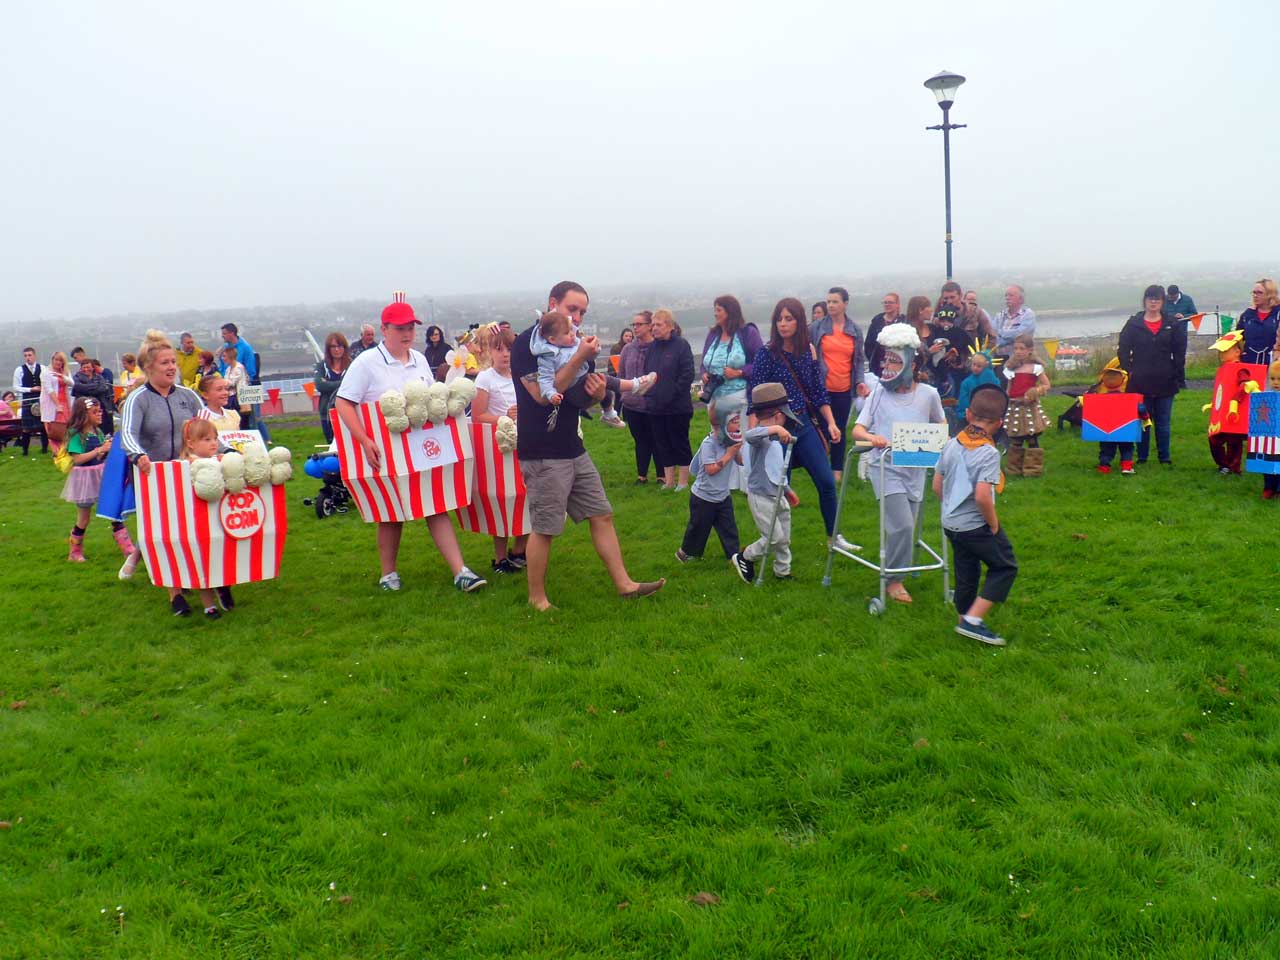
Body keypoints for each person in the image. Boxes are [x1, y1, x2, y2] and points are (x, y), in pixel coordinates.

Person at [511, 280, 665, 610]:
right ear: (552, 303)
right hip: (542, 450)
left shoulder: (577, 345)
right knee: (546, 528)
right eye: (572, 309)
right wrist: (580, 355)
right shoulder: (530, 343)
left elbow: (574, 399)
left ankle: (625, 584)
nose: (578, 318)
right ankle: (537, 598)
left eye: (582, 311)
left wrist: (595, 396)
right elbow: (542, 397)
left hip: (573, 445)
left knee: (602, 514)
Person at [335, 294, 487, 594]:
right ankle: (388, 574)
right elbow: (343, 402)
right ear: (385, 329)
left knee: (435, 504)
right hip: (384, 448)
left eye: (411, 328)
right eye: (400, 328)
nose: (407, 334)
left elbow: (431, 401)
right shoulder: (366, 362)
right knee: (390, 512)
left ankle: (461, 571)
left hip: (421, 446)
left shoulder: (418, 359)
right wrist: (364, 440)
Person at [850, 323, 946, 605]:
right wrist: (872, 438)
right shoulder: (878, 393)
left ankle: (899, 568)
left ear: (911, 364)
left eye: (895, 360)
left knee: (910, 526)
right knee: (902, 525)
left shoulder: (929, 394)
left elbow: (941, 424)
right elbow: (857, 430)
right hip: (885, 466)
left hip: (915, 466)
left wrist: (940, 440)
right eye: (886, 359)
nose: (888, 365)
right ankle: (893, 579)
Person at [116, 330, 208, 597]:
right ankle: (172, 586)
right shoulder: (138, 398)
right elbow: (128, 434)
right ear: (148, 368)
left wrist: (226, 451)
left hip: (185, 470)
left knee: (188, 525)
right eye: (165, 363)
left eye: (173, 362)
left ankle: (188, 574)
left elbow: (206, 429)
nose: (172, 368)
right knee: (160, 528)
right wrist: (139, 456)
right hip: (150, 472)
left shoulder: (187, 396)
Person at [748, 298, 845, 547]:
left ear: (800, 321)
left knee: (826, 481)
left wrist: (831, 423)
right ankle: (778, 546)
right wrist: (753, 432)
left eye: (789, 318)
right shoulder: (766, 353)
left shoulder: (808, 351)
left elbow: (817, 392)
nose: (783, 324)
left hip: (803, 422)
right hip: (776, 428)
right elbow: (754, 394)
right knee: (780, 490)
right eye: (779, 319)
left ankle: (834, 538)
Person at [933, 384, 1017, 646]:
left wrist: (953, 510)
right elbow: (982, 496)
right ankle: (974, 621)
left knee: (966, 568)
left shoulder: (951, 443)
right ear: (1000, 422)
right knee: (1005, 566)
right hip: (975, 526)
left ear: (968, 414)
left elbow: (937, 486)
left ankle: (963, 619)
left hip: (951, 524)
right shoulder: (988, 453)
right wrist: (993, 524)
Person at [472, 326, 529, 574]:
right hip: (499, 448)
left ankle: (520, 550)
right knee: (503, 499)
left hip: (527, 443)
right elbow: (478, 416)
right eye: (499, 349)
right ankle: (499, 557)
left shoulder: (524, 374)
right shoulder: (485, 378)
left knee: (529, 496)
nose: (505, 354)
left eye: (509, 348)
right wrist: (504, 417)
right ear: (489, 352)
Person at [732, 382, 799, 583]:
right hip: (761, 496)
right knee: (773, 537)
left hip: (777, 494)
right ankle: (745, 556)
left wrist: (787, 489)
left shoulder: (775, 439)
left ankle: (782, 571)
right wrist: (776, 429)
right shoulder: (761, 436)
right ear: (778, 415)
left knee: (784, 537)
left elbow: (776, 468)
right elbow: (750, 435)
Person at [1118, 284, 1185, 466]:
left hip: (1166, 380)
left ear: (1163, 301)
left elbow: (1180, 351)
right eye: (1150, 298)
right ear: (1145, 301)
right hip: (1139, 381)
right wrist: (1129, 370)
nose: (1153, 302)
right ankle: (1142, 457)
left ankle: (1164, 457)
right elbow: (1123, 349)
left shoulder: (1172, 324)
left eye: (1157, 299)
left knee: (1163, 423)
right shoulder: (1133, 323)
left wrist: (1177, 373)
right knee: (1143, 421)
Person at [532, 311, 655, 409]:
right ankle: (634, 385)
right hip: (574, 391)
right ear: (553, 339)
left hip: (583, 380)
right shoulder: (547, 356)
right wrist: (551, 393)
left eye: (571, 330)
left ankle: (618, 404)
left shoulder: (573, 343)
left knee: (604, 383)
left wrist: (595, 349)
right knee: (605, 380)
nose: (571, 334)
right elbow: (545, 379)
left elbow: (589, 357)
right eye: (566, 332)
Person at [676, 397, 744, 567]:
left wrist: (737, 450)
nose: (739, 425)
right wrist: (729, 454)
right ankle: (685, 553)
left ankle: (733, 556)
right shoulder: (709, 444)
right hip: (703, 497)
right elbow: (711, 469)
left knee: (729, 528)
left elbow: (741, 462)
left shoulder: (731, 441)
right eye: (735, 421)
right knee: (698, 528)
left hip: (722, 496)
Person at [813, 286, 868, 481]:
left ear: (845, 304)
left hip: (844, 388)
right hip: (821, 388)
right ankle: (820, 469)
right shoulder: (817, 327)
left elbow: (860, 360)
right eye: (828, 302)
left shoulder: (854, 330)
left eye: (835, 301)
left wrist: (860, 381)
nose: (831, 305)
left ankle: (837, 472)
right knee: (822, 429)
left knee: (839, 429)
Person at [178, 419, 230, 619]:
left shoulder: (219, 460)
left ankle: (223, 587)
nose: (213, 443)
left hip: (219, 519)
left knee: (222, 556)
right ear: (191, 443)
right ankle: (209, 605)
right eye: (207, 439)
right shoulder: (187, 465)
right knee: (201, 561)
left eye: (215, 438)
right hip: (197, 524)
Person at [61, 398, 118, 563]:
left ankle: (127, 547)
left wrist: (106, 449)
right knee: (84, 517)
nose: (100, 414)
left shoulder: (97, 432)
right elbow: (78, 458)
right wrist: (99, 449)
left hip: (99, 475)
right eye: (95, 412)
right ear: (84, 414)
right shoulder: (76, 435)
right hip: (84, 480)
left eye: (100, 411)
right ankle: (74, 551)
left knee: (113, 511)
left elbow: (98, 456)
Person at [644, 308, 695, 490]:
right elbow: (647, 373)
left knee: (679, 442)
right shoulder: (652, 348)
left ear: (670, 326)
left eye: (658, 324)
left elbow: (687, 374)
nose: (654, 328)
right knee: (662, 443)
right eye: (653, 325)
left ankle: (682, 481)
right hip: (656, 406)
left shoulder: (682, 346)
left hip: (678, 407)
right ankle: (669, 481)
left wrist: (671, 394)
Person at [700, 294, 765, 409]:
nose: (715, 314)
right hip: (713, 399)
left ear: (730, 311)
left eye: (719, 310)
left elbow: (762, 363)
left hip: (741, 400)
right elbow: (704, 362)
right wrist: (704, 373)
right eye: (714, 310)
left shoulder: (748, 333)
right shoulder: (713, 334)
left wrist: (740, 372)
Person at [1002, 334, 1051, 478]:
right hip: (1015, 406)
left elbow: (1047, 384)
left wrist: (1035, 391)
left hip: (1030, 407)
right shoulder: (1011, 368)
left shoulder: (1035, 368)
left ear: (1030, 350)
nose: (1018, 351)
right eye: (1016, 348)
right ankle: (1014, 468)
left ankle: (1033, 469)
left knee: (1032, 437)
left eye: (1021, 348)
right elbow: (1009, 389)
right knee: (1015, 438)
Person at [619, 311, 658, 483]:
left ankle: (662, 476)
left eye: (639, 324)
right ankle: (641, 475)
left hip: (653, 403)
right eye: (633, 324)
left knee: (657, 440)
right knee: (640, 440)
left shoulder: (657, 347)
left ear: (650, 325)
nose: (635, 328)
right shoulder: (628, 349)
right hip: (631, 404)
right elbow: (621, 374)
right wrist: (624, 394)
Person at [220, 323, 268, 442]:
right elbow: (223, 366)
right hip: (231, 390)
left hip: (245, 387)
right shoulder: (225, 347)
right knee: (238, 418)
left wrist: (247, 384)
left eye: (224, 333)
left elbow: (251, 368)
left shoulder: (245, 347)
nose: (222, 336)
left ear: (232, 333)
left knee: (253, 417)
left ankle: (264, 440)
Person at [1091, 361, 1139, 475]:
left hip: (1106, 430)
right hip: (1125, 429)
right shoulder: (1129, 399)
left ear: (1104, 382)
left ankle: (1104, 466)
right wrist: (1145, 417)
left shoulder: (1098, 399)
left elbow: (1093, 413)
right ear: (1122, 382)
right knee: (1127, 448)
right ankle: (1127, 467)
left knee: (1106, 449)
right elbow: (1140, 409)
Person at [314, 332, 351, 444]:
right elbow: (320, 385)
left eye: (340, 346)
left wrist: (329, 383)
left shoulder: (352, 365)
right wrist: (343, 383)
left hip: (349, 411)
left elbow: (354, 385)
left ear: (344, 348)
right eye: (333, 346)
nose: (337, 350)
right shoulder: (321, 366)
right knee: (333, 446)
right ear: (328, 349)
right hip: (327, 412)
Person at [1236, 278, 1280, 367]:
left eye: (1259, 293)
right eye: (1254, 293)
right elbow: (1238, 337)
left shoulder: (1278, 313)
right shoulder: (1247, 315)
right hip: (1249, 362)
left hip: (1274, 363)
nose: (1255, 295)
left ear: (1270, 294)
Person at [12, 346, 47, 455]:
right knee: (26, 428)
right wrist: (30, 389)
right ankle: (25, 451)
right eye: (25, 356)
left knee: (43, 427)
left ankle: (44, 449)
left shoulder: (43, 368)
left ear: (34, 355)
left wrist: (43, 388)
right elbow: (16, 387)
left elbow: (48, 383)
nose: (28, 358)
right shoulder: (19, 370)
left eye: (30, 355)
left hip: (41, 399)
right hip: (27, 400)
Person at [40, 351, 74, 451]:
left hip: (65, 402)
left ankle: (67, 449)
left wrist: (63, 376)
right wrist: (58, 405)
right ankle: (57, 451)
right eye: (56, 360)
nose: (58, 362)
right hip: (52, 403)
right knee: (54, 428)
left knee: (67, 426)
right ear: (52, 360)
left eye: (61, 361)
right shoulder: (46, 372)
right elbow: (49, 390)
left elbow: (72, 383)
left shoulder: (65, 371)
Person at [72, 358, 115, 436]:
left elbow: (102, 388)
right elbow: (78, 387)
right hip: (84, 410)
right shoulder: (76, 378)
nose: (86, 369)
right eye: (84, 367)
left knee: (103, 430)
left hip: (100, 407)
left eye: (88, 367)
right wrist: (94, 387)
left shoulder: (99, 378)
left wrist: (86, 388)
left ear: (92, 368)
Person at [992, 285, 1037, 359]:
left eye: (1011, 295)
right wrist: (1009, 337)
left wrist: (1001, 334)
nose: (1007, 298)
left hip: (1019, 360)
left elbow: (1019, 335)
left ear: (1021, 299)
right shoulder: (999, 316)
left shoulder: (1028, 315)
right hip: (998, 359)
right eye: (1006, 295)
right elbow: (992, 335)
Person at [955, 351, 1000, 424]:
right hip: (971, 417)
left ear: (986, 366)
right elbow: (963, 403)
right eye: (973, 364)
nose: (975, 368)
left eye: (979, 366)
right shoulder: (966, 383)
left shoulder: (994, 381)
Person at [865, 293, 902, 378]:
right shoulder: (876, 321)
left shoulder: (903, 321)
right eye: (885, 303)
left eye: (890, 302)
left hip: (898, 367)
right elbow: (868, 345)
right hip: (878, 367)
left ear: (897, 305)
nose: (887, 305)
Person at [220, 344, 251, 428]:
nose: (223, 358)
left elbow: (230, 383)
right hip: (231, 397)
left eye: (224, 356)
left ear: (231, 356)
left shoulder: (238, 368)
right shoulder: (228, 369)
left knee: (241, 422)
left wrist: (220, 383)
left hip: (239, 398)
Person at [1263, 359, 1280, 500]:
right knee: (1268, 462)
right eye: (1272, 378)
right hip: (1270, 438)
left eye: (1279, 379)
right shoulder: (1267, 397)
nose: (1275, 382)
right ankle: (1269, 487)